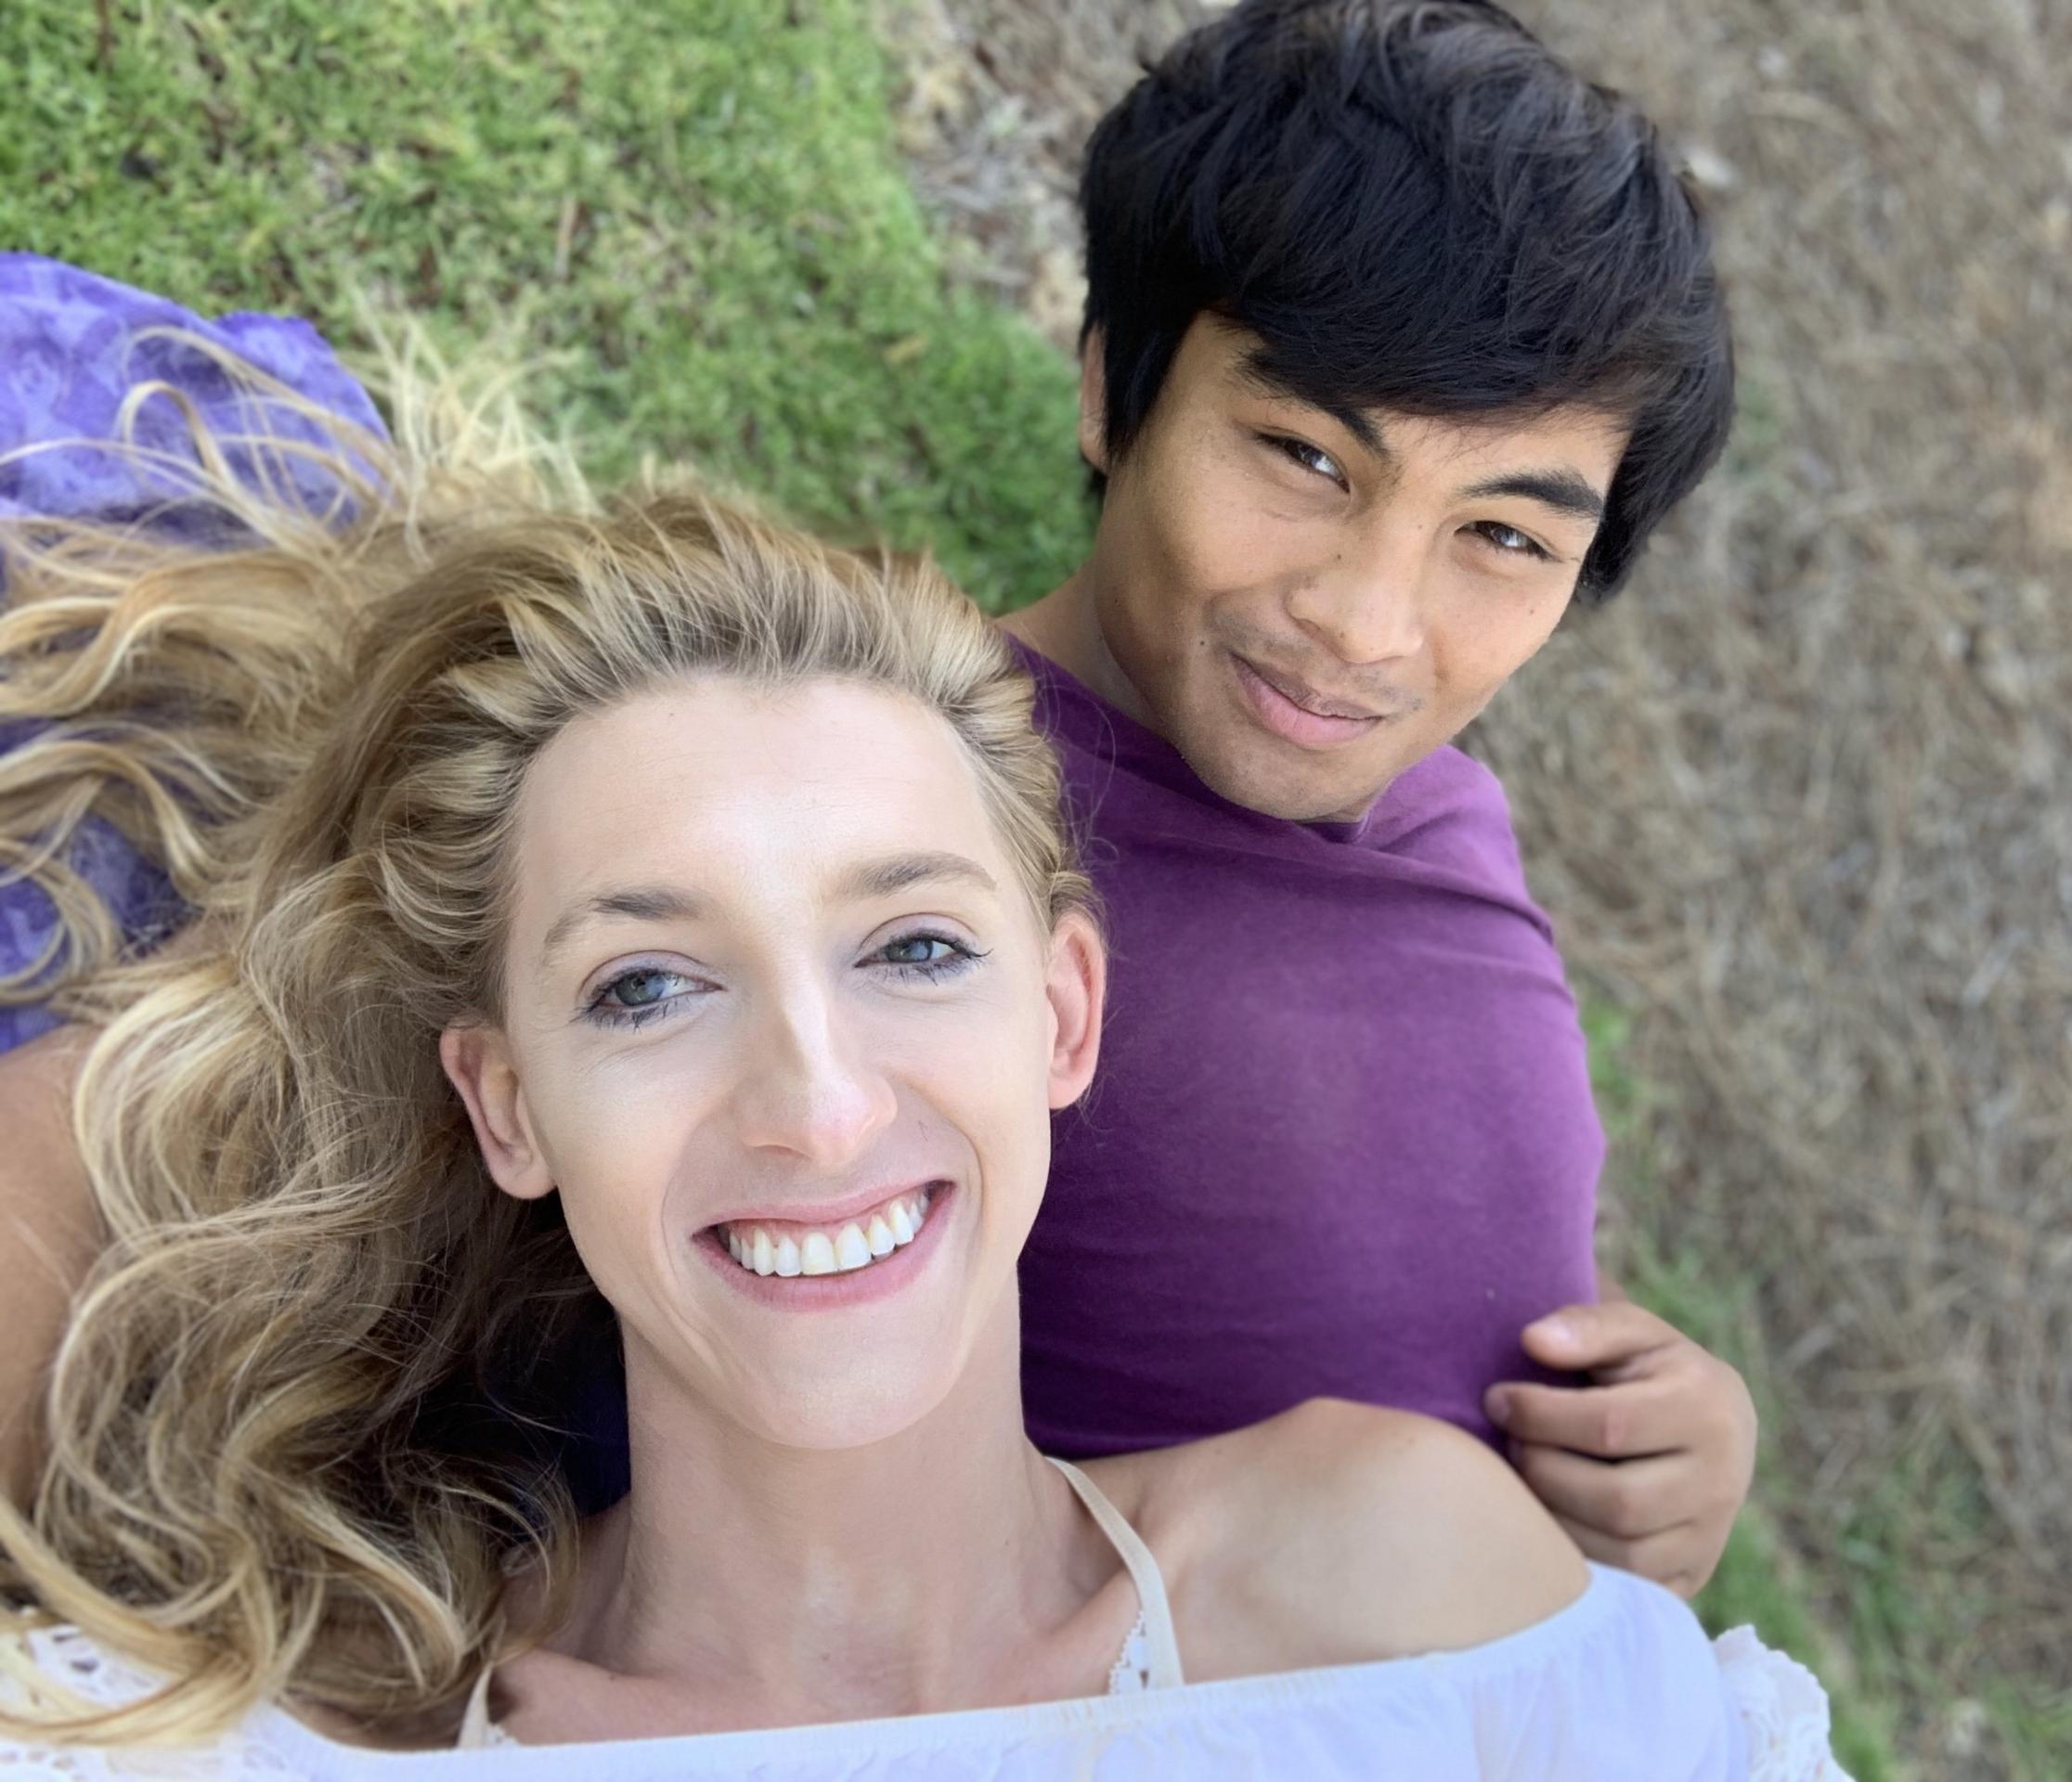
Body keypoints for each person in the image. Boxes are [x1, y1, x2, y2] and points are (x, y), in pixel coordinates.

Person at [3, 0, 1757, 1597]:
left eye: (1503, 539)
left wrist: (1666, 1450)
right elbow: (203, 1098)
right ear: (1107, 385)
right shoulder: (894, 799)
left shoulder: (1436, 816)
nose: (1372, 621)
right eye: (1304, 457)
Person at [0, 379, 1844, 1776]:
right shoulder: (270, 1741)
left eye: (911, 950)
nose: (813, 1103)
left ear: (1059, 1015)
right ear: (506, 1108)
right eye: (646, 985)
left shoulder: (1399, 1595)